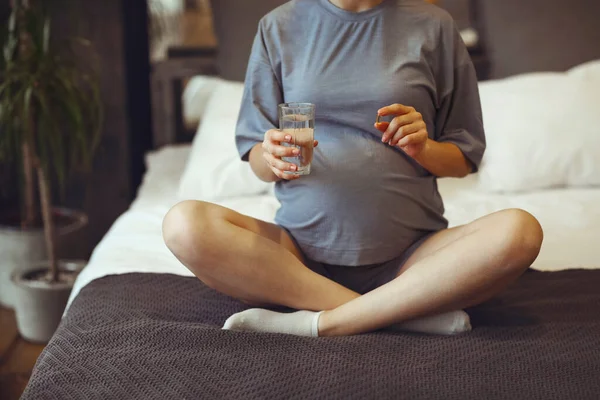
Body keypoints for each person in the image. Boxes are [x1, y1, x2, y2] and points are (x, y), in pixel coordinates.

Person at [162, 0, 544, 337]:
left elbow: (464, 158)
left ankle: (325, 322)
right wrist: (271, 155)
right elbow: (258, 159)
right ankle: (399, 314)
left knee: (521, 231)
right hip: (297, 257)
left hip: (414, 257)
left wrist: (423, 147)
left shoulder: (434, 26)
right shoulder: (278, 26)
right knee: (184, 224)